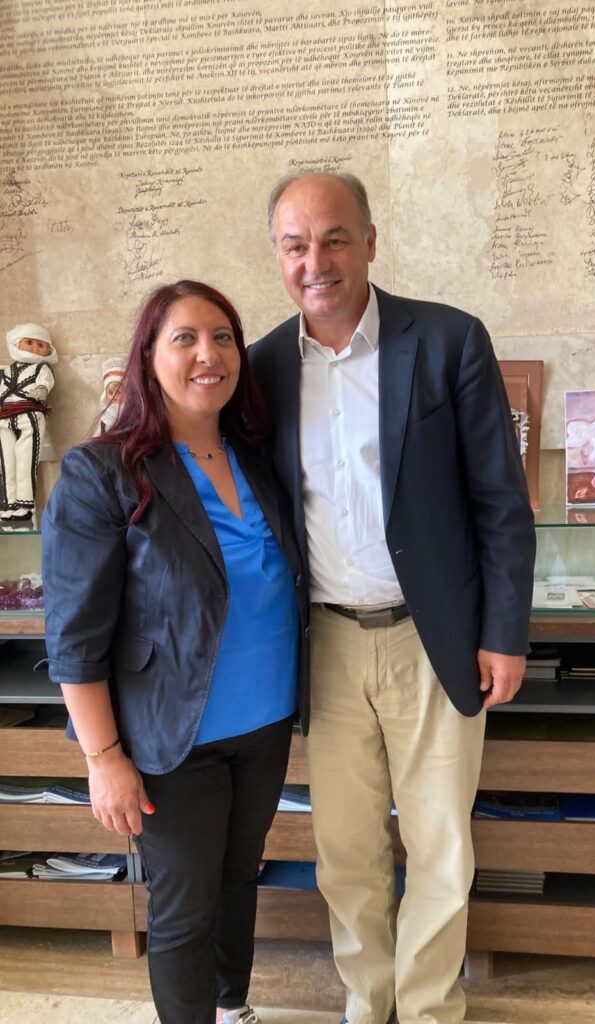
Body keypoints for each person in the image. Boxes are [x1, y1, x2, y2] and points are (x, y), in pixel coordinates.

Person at [250, 172, 535, 1024]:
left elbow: (500, 501)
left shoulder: (449, 340)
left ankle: (428, 1007)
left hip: (434, 635)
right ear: (277, 257)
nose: (316, 262)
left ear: (370, 241)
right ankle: (367, 1002)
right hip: (326, 645)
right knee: (346, 851)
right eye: (296, 245)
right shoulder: (261, 367)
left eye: (335, 239)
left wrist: (505, 632)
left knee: (440, 844)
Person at [42, 280, 309, 1024]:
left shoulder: (257, 456)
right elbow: (74, 639)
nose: (207, 354)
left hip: (264, 725)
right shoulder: (103, 472)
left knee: (237, 878)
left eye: (222, 337)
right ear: (148, 358)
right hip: (170, 739)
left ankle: (232, 1006)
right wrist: (104, 760)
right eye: (184, 338)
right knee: (185, 905)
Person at [0, 322, 57, 521]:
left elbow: (45, 383)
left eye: (41, 345)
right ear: (17, 343)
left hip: (29, 414)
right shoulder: (8, 370)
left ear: (48, 350)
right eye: (30, 342)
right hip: (4, 418)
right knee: (6, 461)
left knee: (26, 458)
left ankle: (25, 504)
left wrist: (41, 390)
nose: (35, 348)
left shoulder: (42, 368)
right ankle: (9, 503)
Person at [98, 355, 126, 433]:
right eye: (110, 393)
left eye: (118, 392)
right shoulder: (107, 413)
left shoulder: (130, 411)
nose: (114, 396)